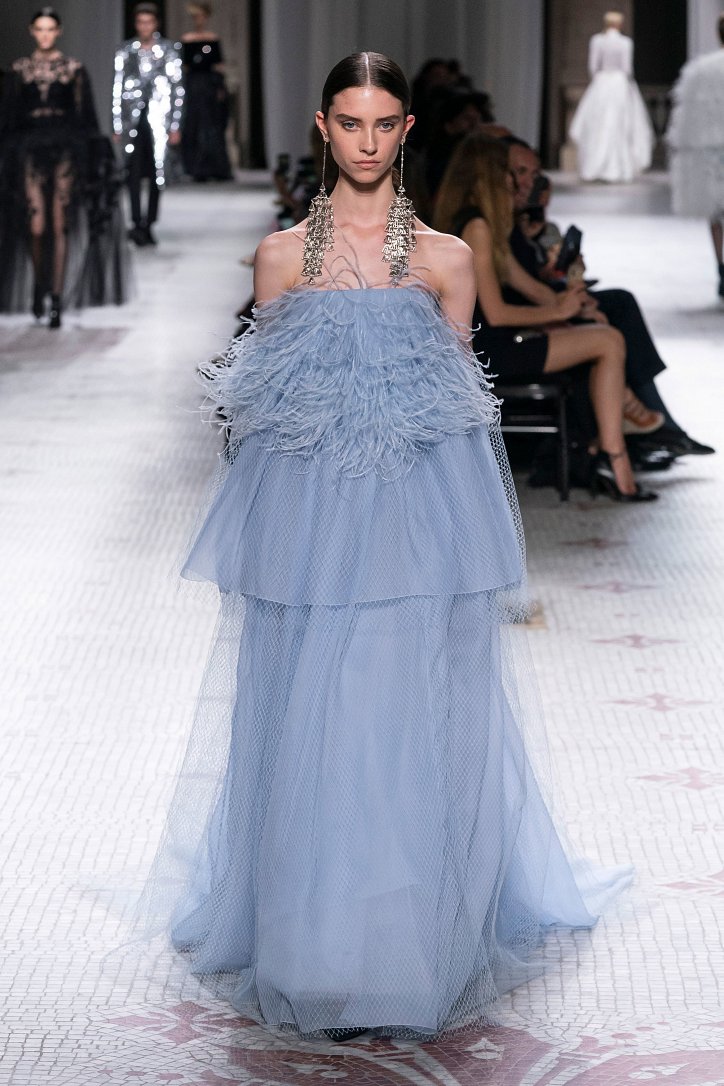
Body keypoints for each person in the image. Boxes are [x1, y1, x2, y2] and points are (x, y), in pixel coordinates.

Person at [141, 52, 631, 1041]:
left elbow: (458, 421)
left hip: (412, 531)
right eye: (349, 123)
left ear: (405, 132)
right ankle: (312, 946)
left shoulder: (445, 260)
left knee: (404, 721)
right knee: (311, 724)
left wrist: (462, 549)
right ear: (324, 129)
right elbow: (269, 420)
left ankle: (406, 940)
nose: (365, 142)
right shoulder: (281, 258)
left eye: (383, 125)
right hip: (315, 530)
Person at [435, 133, 658, 501]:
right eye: (510, 173)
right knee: (608, 341)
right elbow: (496, 313)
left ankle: (608, 451)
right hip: (489, 354)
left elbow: (529, 288)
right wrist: (558, 311)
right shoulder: (477, 228)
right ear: (492, 177)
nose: (516, 182)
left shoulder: (483, 224)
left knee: (603, 334)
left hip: (495, 345)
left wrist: (572, 305)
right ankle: (613, 457)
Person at [506, 137, 715, 459]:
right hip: (512, 334)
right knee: (611, 319)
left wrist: (559, 280)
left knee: (616, 307)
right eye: (520, 172)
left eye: (534, 174)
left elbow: (527, 280)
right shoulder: (486, 227)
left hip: (531, 311)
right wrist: (563, 308)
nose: (529, 182)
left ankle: (636, 431)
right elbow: (503, 302)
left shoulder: (513, 220)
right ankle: (626, 438)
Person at [0, 6, 129, 326]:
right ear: (32, 31)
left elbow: (85, 117)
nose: (45, 35)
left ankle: (56, 298)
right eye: (39, 29)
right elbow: (10, 118)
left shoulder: (73, 69)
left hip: (65, 151)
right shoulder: (19, 70)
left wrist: (94, 157)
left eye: (50, 29)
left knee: (59, 225)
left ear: (58, 32)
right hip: (29, 151)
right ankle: (40, 284)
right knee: (36, 227)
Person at [113, 2, 184, 246]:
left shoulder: (169, 50)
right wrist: (117, 124)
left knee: (157, 173)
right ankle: (136, 222)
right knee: (132, 172)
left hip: (159, 119)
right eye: (140, 22)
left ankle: (149, 222)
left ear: (156, 24)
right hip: (132, 119)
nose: (144, 26)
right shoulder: (125, 50)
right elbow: (117, 87)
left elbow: (178, 89)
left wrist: (175, 125)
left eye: (149, 22)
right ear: (136, 24)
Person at [668, 14, 724, 298]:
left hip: (710, 151)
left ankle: (722, 269)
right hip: (712, 149)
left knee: (715, 215)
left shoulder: (700, 70)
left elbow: (686, 117)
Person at [569, 10, 653, 183]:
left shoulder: (597, 40)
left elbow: (593, 66)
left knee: (598, 125)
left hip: (602, 82)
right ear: (619, 24)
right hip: (619, 84)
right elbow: (627, 68)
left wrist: (599, 81)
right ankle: (618, 168)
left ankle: (594, 166)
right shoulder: (625, 42)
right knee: (619, 124)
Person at [180, 1, 232, 182]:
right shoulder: (187, 39)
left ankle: (216, 168)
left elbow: (218, 64)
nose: (199, 20)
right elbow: (184, 65)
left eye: (201, 16)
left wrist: (220, 87)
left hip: (210, 84)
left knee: (212, 126)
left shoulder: (213, 38)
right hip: (193, 85)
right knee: (194, 125)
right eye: (196, 16)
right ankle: (196, 168)